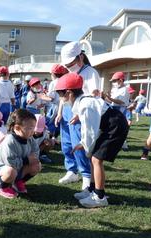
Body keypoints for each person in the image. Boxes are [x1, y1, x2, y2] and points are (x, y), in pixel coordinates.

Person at [55, 73, 128, 208]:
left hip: (115, 127)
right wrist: (78, 117)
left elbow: (90, 131)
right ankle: (91, 190)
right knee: (93, 159)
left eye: (60, 93)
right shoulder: (82, 101)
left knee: (96, 159)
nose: (60, 97)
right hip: (111, 124)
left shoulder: (85, 105)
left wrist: (84, 145)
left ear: (69, 93)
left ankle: (99, 197)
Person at [55, 41, 99, 187]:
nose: (68, 66)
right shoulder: (69, 73)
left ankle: (86, 177)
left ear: (80, 57)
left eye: (70, 62)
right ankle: (71, 171)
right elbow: (63, 95)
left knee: (79, 145)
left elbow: (93, 97)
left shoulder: (90, 72)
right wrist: (59, 112)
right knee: (66, 145)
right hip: (67, 111)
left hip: (80, 112)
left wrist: (79, 115)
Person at [0, 109, 41, 199]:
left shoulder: (30, 138)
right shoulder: (9, 141)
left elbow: (36, 152)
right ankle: (2, 187)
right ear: (17, 128)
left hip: (18, 167)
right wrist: (27, 160)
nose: (33, 131)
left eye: (34, 127)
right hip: (2, 169)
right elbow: (11, 162)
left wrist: (33, 158)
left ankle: (18, 182)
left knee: (37, 165)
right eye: (30, 128)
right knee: (11, 171)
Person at [104, 71, 130, 151]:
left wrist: (110, 98)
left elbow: (121, 102)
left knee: (118, 128)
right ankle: (121, 145)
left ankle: (122, 145)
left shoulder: (125, 90)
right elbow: (111, 101)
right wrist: (104, 97)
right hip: (114, 108)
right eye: (113, 81)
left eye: (115, 81)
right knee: (115, 128)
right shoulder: (115, 89)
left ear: (121, 80)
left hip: (120, 110)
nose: (113, 83)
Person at [46, 64, 68, 140]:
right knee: (61, 123)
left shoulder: (53, 83)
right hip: (65, 106)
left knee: (50, 123)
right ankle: (55, 138)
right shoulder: (65, 80)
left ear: (53, 74)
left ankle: (49, 139)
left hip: (55, 106)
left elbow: (51, 98)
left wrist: (42, 96)